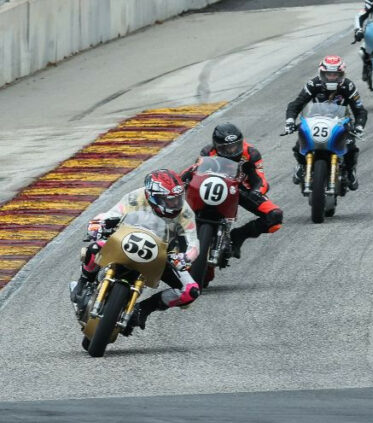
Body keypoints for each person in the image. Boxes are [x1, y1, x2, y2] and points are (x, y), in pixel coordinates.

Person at [70, 169, 200, 332]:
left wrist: (186, 257)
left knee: (191, 291)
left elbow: (193, 243)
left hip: (162, 255)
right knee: (94, 248)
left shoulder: (185, 211)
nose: (176, 204)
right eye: (170, 200)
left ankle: (143, 309)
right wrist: (98, 225)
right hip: (125, 240)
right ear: (154, 196)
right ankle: (83, 283)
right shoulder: (135, 197)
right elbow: (112, 214)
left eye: (178, 199)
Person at [180, 122, 284, 260]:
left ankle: (239, 235)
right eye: (226, 148)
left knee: (275, 217)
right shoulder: (207, 151)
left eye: (235, 146)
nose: (232, 150)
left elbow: (260, 179)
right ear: (216, 145)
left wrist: (257, 191)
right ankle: (182, 235)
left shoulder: (251, 153)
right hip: (210, 185)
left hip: (239, 189)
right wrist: (182, 179)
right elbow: (195, 169)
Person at [283, 55, 367, 190]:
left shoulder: (348, 86)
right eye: (328, 74)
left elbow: (360, 109)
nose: (332, 77)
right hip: (316, 121)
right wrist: (290, 121)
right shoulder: (313, 84)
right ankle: (301, 164)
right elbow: (296, 104)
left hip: (340, 123)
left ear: (342, 74)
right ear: (321, 73)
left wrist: (359, 126)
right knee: (299, 143)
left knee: (351, 147)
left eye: (335, 74)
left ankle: (350, 171)